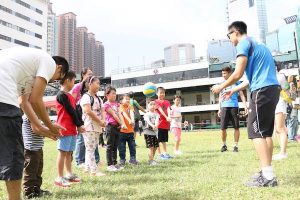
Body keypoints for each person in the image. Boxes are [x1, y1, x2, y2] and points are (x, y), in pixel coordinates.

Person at [212, 21, 280, 187]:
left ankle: (268, 177)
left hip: (261, 91)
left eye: (230, 37)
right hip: (272, 89)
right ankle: (266, 172)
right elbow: (248, 78)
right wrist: (233, 91)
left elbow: (237, 73)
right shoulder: (258, 44)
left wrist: (221, 86)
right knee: (265, 133)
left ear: (235, 32)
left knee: (254, 131)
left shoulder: (243, 43)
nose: (230, 40)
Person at [0, 46, 68, 200]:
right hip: (3, 99)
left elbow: (24, 103)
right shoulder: (49, 62)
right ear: (59, 68)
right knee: (13, 157)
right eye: (57, 78)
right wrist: (51, 127)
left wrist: (43, 129)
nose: (52, 80)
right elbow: (36, 100)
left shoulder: (26, 69)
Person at [55, 71, 85, 187]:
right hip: (64, 128)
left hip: (72, 128)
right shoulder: (61, 95)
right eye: (73, 81)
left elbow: (76, 111)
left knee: (69, 153)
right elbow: (70, 111)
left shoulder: (70, 96)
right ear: (68, 80)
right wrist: (79, 124)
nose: (74, 83)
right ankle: (59, 177)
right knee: (63, 152)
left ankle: (68, 174)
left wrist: (79, 124)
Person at [72, 68, 100, 167]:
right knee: (81, 138)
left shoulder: (91, 88)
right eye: (89, 74)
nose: (90, 75)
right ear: (83, 75)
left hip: (91, 115)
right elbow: (73, 101)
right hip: (81, 114)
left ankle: (95, 160)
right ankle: (80, 161)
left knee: (93, 139)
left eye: (91, 74)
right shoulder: (77, 87)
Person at [80, 76, 106, 176]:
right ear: (90, 84)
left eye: (99, 83)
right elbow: (88, 111)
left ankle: (87, 168)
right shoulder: (86, 97)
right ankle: (94, 171)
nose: (99, 85)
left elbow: (103, 111)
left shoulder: (99, 98)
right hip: (89, 126)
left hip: (97, 127)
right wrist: (100, 121)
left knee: (91, 147)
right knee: (91, 149)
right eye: (97, 83)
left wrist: (103, 121)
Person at [218, 66, 248, 153]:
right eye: (222, 73)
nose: (223, 75)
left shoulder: (236, 82)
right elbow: (220, 97)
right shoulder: (222, 84)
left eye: (225, 73)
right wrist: (219, 108)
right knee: (223, 128)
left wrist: (245, 106)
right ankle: (224, 145)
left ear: (229, 73)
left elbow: (242, 95)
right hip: (224, 107)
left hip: (234, 107)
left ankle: (235, 145)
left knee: (236, 127)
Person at [22, 116, 51, 199]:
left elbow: (39, 129)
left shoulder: (35, 115)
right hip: (31, 148)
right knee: (30, 171)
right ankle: (28, 192)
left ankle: (36, 189)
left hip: (37, 147)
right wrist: (51, 133)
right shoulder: (29, 114)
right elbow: (36, 130)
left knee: (38, 170)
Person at [103, 86, 126, 172]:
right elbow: (113, 114)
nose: (114, 95)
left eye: (115, 93)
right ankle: (110, 164)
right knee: (110, 146)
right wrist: (121, 123)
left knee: (115, 146)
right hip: (110, 127)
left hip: (117, 127)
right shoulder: (106, 104)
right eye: (112, 93)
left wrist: (122, 124)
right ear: (107, 95)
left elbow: (120, 114)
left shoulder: (117, 104)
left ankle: (115, 163)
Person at [273, 64, 290, 160]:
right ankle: (282, 151)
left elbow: (287, 90)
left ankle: (283, 152)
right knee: (278, 128)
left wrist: (290, 100)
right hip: (274, 104)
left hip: (280, 103)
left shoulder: (280, 76)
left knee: (280, 128)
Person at [118, 94, 139, 165]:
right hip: (122, 132)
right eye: (126, 99)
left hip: (130, 131)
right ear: (121, 101)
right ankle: (122, 159)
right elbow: (124, 114)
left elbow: (132, 113)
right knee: (122, 147)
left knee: (132, 147)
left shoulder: (130, 106)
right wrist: (129, 120)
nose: (128, 100)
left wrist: (132, 120)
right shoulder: (120, 106)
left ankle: (133, 159)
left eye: (129, 99)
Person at [155, 87, 172, 160]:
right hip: (159, 123)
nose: (162, 94)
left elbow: (168, 109)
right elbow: (160, 110)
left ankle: (165, 153)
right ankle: (159, 154)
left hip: (165, 124)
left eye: (163, 93)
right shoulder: (155, 101)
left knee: (164, 140)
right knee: (158, 140)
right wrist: (166, 117)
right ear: (157, 93)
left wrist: (169, 116)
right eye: (160, 92)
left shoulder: (167, 102)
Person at [143, 100, 160, 166]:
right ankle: (151, 161)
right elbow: (148, 121)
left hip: (155, 133)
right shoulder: (146, 114)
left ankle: (151, 159)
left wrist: (155, 125)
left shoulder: (157, 114)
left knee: (155, 147)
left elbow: (157, 121)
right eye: (151, 104)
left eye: (154, 105)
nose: (153, 106)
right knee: (151, 147)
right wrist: (152, 125)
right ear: (148, 106)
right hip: (148, 133)